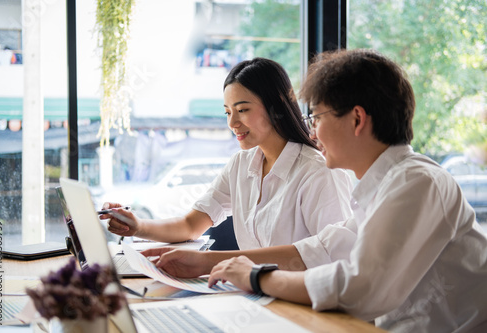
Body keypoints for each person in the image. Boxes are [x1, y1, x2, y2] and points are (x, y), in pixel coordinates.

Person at [143, 49, 487, 332]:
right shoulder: (382, 187)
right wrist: (207, 262)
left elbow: (358, 290)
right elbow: (317, 250)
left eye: (318, 118)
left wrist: (254, 277)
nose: (314, 132)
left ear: (357, 119)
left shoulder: (417, 183)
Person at [102, 57, 353, 250]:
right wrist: (137, 227)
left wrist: (216, 264)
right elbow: (191, 226)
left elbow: (334, 259)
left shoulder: (318, 173)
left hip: (302, 306)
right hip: (254, 296)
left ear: (276, 105)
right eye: (227, 112)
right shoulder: (241, 165)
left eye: (242, 110)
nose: (232, 123)